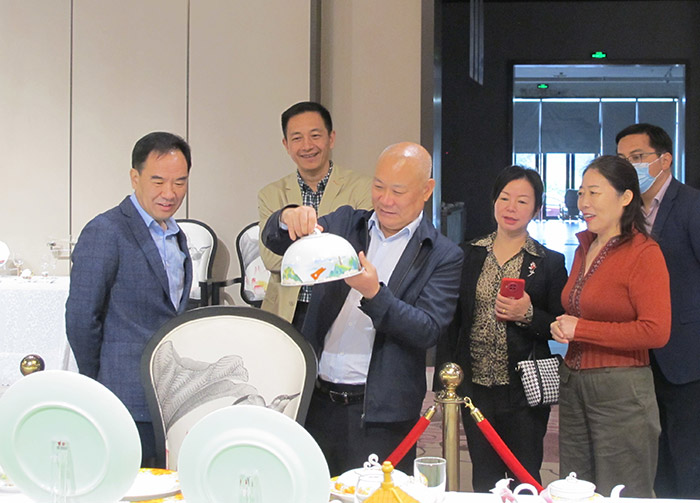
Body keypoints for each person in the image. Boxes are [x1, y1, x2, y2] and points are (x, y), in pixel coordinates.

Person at [262, 142, 463, 475]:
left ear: (427, 190)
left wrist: (374, 293)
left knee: (377, 495)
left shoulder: (441, 254)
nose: (385, 200)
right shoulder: (345, 225)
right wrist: (287, 218)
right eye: (378, 186)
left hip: (382, 415)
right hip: (317, 401)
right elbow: (277, 240)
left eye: (398, 191)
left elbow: (426, 329)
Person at [66, 132, 193, 466]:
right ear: (135, 178)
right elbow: (81, 318)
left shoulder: (175, 234)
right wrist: (99, 380)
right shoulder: (106, 231)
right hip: (121, 395)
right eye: (158, 181)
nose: (170, 193)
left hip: (168, 398)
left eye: (180, 182)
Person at [438, 165, 568, 491]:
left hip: (524, 389)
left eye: (522, 201)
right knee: (484, 475)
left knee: (525, 475)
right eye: (505, 198)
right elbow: (452, 321)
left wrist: (528, 314)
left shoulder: (549, 262)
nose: (511, 208)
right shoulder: (468, 254)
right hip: (475, 387)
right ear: (494, 201)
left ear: (536, 209)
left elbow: (559, 326)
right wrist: (447, 377)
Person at [550, 155, 671, 497]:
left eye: (594, 192)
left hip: (621, 391)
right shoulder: (584, 247)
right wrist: (564, 327)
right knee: (574, 487)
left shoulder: (644, 252)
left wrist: (581, 330)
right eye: (581, 193)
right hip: (573, 383)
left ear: (625, 197)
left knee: (623, 490)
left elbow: (655, 331)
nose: (583, 202)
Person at [616, 123, 700, 498]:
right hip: (638, 358)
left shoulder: (693, 206)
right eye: (622, 159)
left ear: (664, 160)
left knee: (688, 459)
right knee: (652, 460)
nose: (629, 167)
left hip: (686, 357)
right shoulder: (624, 211)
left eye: (637, 157)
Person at [258, 101, 372, 329]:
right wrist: (329, 256)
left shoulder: (362, 188)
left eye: (315, 135)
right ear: (286, 145)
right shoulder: (271, 194)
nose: (307, 146)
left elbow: (360, 254)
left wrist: (298, 251)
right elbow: (271, 259)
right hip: (288, 312)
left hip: (342, 312)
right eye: (297, 138)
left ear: (331, 138)